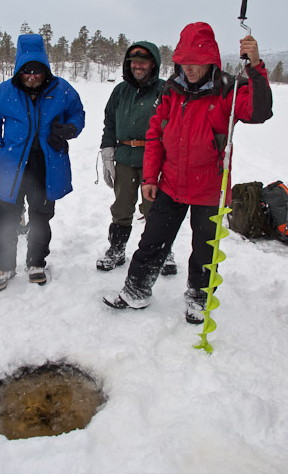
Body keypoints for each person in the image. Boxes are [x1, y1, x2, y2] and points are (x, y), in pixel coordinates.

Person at [103, 22, 272, 323]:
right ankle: (136, 290)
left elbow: (259, 112)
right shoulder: (172, 90)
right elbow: (155, 135)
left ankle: (198, 297)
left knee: (204, 250)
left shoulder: (227, 91)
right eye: (184, 61)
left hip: (209, 187)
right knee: (152, 241)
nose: (189, 68)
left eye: (196, 61)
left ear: (211, 60)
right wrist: (150, 177)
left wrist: (256, 67)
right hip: (170, 183)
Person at [0, 34, 85, 291]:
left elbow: (78, 114)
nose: (32, 76)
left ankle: (36, 262)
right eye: (26, 71)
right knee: (6, 217)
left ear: (45, 70)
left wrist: (69, 129)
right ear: (19, 70)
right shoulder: (3, 92)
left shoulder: (61, 89)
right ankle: (4, 267)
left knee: (41, 216)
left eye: (37, 71)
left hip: (46, 165)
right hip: (11, 165)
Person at [97, 41, 177, 276]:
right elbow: (109, 122)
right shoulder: (120, 91)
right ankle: (117, 248)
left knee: (156, 208)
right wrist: (107, 152)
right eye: (134, 62)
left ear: (153, 63)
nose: (138, 66)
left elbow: (173, 126)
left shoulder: (165, 90)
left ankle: (163, 251)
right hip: (124, 157)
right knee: (121, 207)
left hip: (154, 159)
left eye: (143, 61)